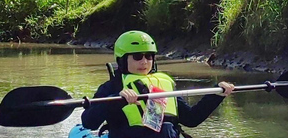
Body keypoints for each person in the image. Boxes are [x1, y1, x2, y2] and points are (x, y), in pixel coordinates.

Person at [80, 30, 234, 138]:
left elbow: (191, 119)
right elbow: (89, 122)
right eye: (137, 56)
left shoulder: (164, 84)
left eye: (149, 56)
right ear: (122, 60)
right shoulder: (112, 87)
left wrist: (216, 94)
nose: (144, 62)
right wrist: (116, 100)